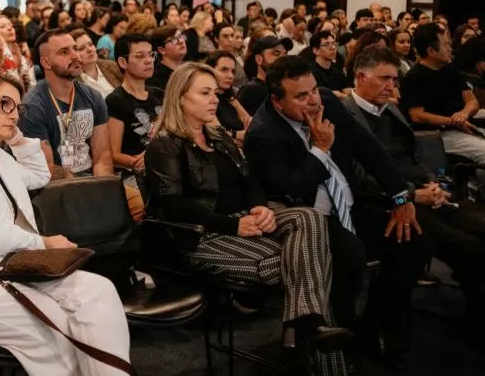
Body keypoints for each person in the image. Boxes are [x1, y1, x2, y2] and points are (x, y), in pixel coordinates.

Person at [0, 70, 131, 375]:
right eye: (4, 104)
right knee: (54, 324)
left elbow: (40, 174)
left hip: (10, 269)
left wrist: (17, 138)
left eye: (17, 107)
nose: (14, 114)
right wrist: (45, 243)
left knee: (98, 291)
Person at [145, 63, 349, 371]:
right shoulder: (165, 144)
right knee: (314, 260)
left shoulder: (219, 136)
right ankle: (324, 356)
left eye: (215, 92)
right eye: (205, 93)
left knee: (309, 218)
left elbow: (251, 179)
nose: (215, 99)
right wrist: (234, 225)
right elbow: (173, 204)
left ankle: (306, 327)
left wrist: (260, 207)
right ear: (180, 98)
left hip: (244, 221)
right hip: (201, 235)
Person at [243, 56, 427, 370]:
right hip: (307, 220)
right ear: (276, 100)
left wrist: (400, 197)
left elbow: (367, 147)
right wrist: (320, 150)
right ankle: (341, 332)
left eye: (313, 90)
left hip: (347, 204)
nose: (313, 100)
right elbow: (293, 192)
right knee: (350, 253)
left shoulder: (326, 101)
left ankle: (371, 327)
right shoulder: (262, 134)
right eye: (301, 96)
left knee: (414, 242)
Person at [344, 47, 485, 334]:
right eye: (384, 79)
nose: (391, 87)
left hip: (423, 190)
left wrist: (434, 183)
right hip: (388, 200)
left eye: (394, 80)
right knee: (466, 246)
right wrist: (411, 193)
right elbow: (358, 176)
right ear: (360, 77)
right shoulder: (346, 115)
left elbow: (414, 157)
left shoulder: (391, 110)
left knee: (480, 226)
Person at [18, 29, 114, 178]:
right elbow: (47, 168)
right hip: (57, 189)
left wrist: (100, 188)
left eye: (75, 49)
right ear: (46, 62)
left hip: (93, 182)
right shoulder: (32, 107)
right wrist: (83, 192)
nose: (75, 55)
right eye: (64, 52)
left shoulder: (94, 97)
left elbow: (102, 156)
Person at [402, 22, 485, 166]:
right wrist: (453, 121)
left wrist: (464, 114)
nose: (450, 48)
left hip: (462, 125)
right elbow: (417, 115)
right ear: (431, 51)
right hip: (438, 134)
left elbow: (472, 101)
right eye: (446, 45)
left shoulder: (451, 70)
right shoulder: (414, 77)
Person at [106, 34, 158, 182]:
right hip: (133, 176)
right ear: (123, 62)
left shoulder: (158, 94)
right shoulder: (115, 101)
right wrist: (139, 161)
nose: (148, 61)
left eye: (151, 55)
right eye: (140, 56)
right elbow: (113, 154)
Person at [204, 51, 251, 145]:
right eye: (224, 69)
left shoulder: (230, 97)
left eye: (233, 71)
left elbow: (249, 124)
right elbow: (217, 135)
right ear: (210, 70)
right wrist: (236, 135)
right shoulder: (207, 99)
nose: (230, 76)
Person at [236, 36, 292, 115]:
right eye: (276, 53)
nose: (282, 58)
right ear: (259, 59)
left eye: (285, 54)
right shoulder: (251, 91)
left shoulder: (284, 87)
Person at [70, 28, 120, 98]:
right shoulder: (72, 82)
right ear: (73, 54)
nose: (89, 50)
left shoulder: (112, 66)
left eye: (90, 44)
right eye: (82, 48)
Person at [148, 26, 187, 101]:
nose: (181, 41)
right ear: (162, 50)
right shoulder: (156, 79)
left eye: (180, 36)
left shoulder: (189, 70)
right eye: (173, 40)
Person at [309, 31, 347, 96]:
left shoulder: (337, 70)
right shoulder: (310, 72)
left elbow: (344, 88)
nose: (333, 47)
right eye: (327, 45)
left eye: (334, 43)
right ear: (316, 50)